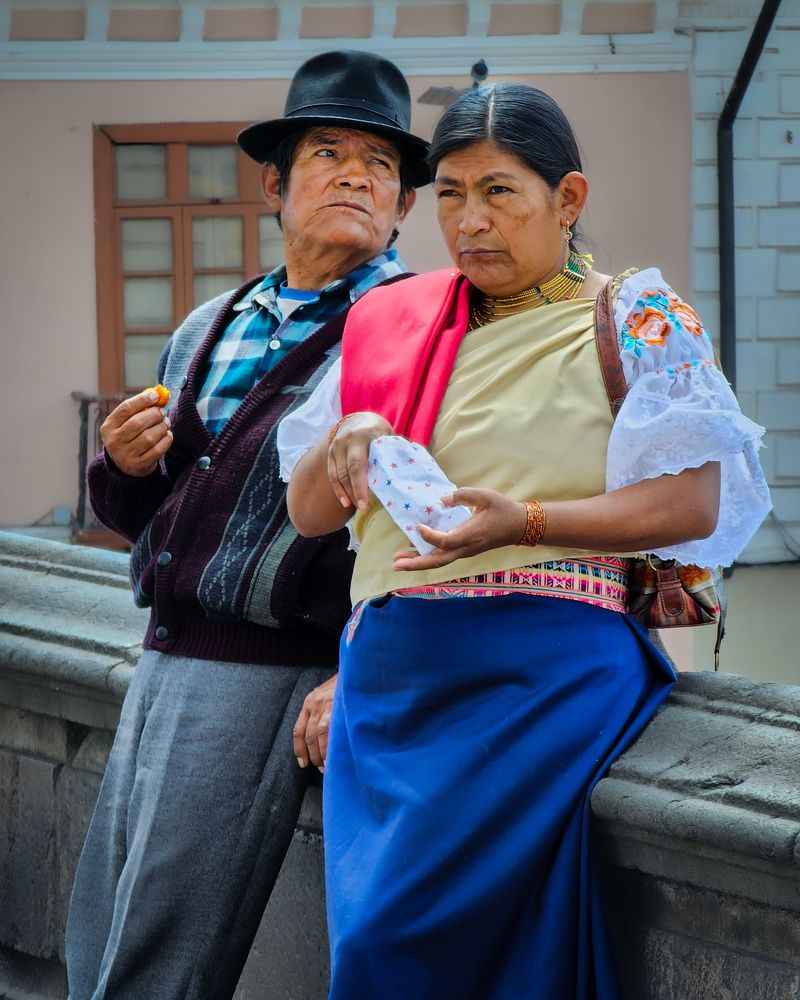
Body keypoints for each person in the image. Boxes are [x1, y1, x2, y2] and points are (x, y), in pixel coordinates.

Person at [278, 83, 772, 999]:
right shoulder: (393, 324)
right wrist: (347, 437)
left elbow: (690, 503)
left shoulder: (635, 316)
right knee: (373, 950)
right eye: (454, 193)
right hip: (392, 689)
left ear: (568, 199)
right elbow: (312, 514)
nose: (470, 220)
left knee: (426, 945)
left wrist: (527, 523)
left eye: (500, 191)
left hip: (542, 673)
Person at [64, 49, 428, 1000]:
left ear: (403, 207)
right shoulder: (209, 324)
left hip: (272, 666)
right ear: (276, 184)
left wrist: (364, 666)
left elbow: (422, 517)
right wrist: (123, 465)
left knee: (163, 952)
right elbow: (151, 509)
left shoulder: (408, 326)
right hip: (165, 652)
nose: (356, 173)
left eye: (382, 165)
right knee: (98, 920)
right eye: (328, 152)